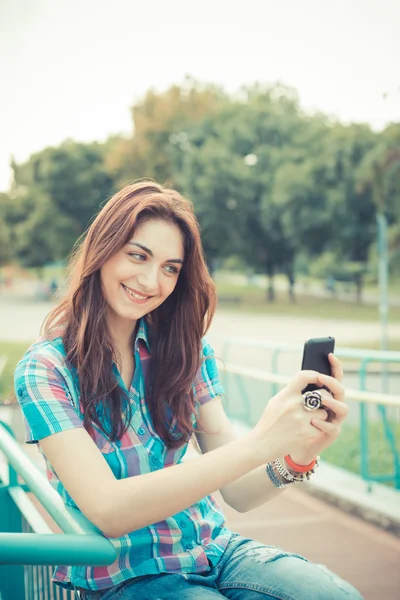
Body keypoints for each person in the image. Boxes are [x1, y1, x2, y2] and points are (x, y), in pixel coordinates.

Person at [14, 181, 363, 600]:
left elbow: (239, 492)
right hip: (128, 576)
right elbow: (108, 509)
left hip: (216, 551)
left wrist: (299, 451)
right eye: (138, 255)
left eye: (170, 268)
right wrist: (260, 441)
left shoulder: (186, 351)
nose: (150, 280)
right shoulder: (45, 370)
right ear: (102, 251)